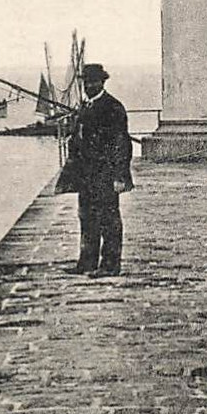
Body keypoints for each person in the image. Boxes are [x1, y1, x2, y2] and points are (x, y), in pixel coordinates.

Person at [63, 64, 134, 278]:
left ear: (102, 82)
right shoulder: (86, 107)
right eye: (86, 82)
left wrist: (120, 176)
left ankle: (110, 265)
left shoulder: (113, 107)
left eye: (93, 82)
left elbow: (122, 144)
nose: (89, 86)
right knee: (87, 217)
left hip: (106, 174)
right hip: (86, 174)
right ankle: (87, 262)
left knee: (108, 219)